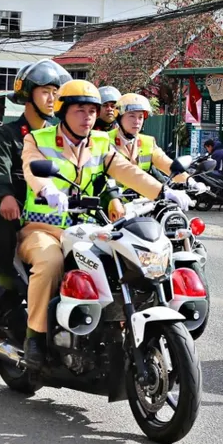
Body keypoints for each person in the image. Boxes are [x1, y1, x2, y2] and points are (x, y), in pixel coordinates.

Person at [17, 80, 191, 368]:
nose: (87, 117)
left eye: (92, 111)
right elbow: (32, 167)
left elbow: (127, 171)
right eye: (80, 110)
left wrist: (164, 191)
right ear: (62, 111)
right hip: (43, 227)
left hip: (87, 228)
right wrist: (47, 190)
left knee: (125, 258)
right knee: (49, 265)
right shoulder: (38, 139)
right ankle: (35, 335)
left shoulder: (100, 142)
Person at [0, 59, 70, 314]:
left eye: (56, 93)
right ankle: (5, 282)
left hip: (53, 213)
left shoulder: (58, 135)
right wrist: (4, 194)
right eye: (46, 92)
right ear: (28, 95)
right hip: (17, 210)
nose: (52, 99)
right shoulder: (8, 134)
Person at [107, 92, 198, 216]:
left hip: (141, 203)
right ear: (119, 117)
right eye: (131, 116)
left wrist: (190, 181)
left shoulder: (148, 142)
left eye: (140, 117)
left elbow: (166, 163)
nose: (137, 121)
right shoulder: (106, 140)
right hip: (112, 203)